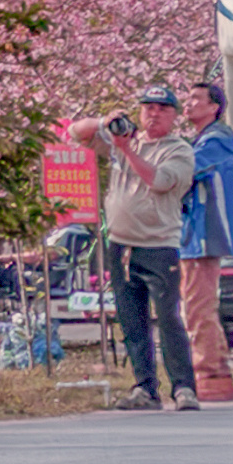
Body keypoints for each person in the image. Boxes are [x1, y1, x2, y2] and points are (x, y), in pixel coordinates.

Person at [93, 88, 193, 406]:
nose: (154, 114)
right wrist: (104, 122)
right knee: (131, 319)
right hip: (122, 245)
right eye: (148, 108)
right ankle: (145, 387)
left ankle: (183, 387)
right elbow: (75, 133)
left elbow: (160, 181)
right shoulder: (123, 141)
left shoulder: (178, 150)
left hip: (159, 245)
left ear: (174, 115)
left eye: (162, 109)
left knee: (168, 318)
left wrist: (128, 152)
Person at [174, 82, 233, 399]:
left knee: (198, 308)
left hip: (204, 236)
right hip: (193, 237)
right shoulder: (202, 141)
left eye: (196, 99)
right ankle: (215, 375)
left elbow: (182, 172)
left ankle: (208, 374)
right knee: (199, 306)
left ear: (214, 107)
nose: (188, 105)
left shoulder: (215, 143)